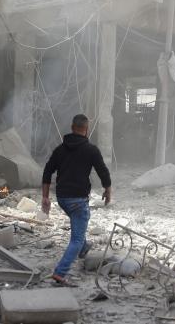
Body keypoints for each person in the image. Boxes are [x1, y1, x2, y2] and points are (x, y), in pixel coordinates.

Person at [41, 114, 112, 286]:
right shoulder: (91, 150)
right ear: (86, 130)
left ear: (72, 128)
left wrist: (45, 197)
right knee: (76, 239)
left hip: (63, 199)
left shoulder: (60, 149)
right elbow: (103, 171)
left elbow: (47, 171)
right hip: (78, 200)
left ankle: (84, 249)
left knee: (78, 227)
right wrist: (108, 190)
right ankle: (60, 273)